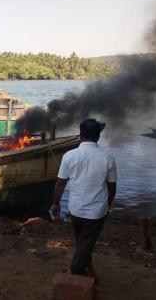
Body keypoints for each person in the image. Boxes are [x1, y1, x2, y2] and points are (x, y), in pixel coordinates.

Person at [51, 119, 117, 278]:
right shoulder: (108, 157)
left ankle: (85, 268)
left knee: (82, 242)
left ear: (80, 136)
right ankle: (77, 270)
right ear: (98, 137)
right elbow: (112, 187)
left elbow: (60, 183)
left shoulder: (69, 155)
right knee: (85, 243)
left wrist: (56, 204)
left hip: (75, 209)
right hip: (96, 211)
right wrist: (107, 205)